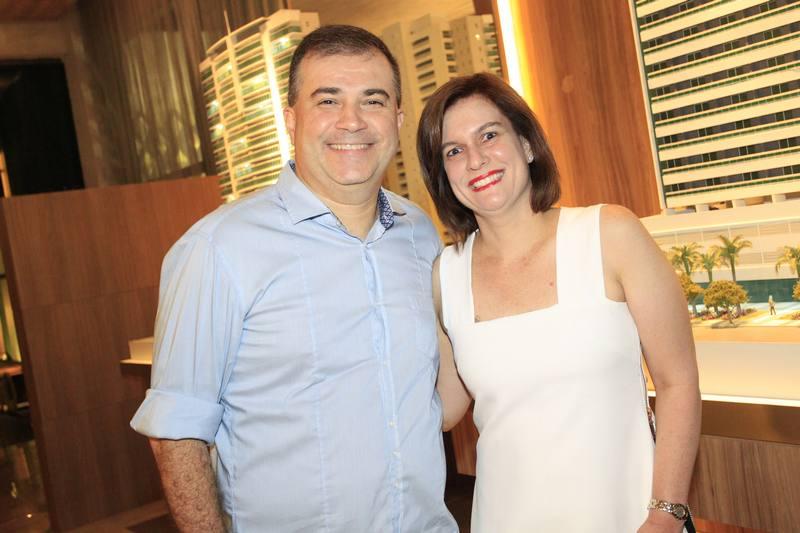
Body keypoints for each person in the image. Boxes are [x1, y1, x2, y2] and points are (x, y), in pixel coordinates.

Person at [131, 25, 457, 533]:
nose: (352, 121)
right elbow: (176, 433)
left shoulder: (418, 233)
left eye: (372, 100)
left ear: (396, 120)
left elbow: (435, 396)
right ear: (291, 119)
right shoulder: (217, 248)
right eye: (328, 100)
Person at [417, 73, 701, 533]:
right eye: (453, 151)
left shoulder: (610, 234)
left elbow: (677, 381)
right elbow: (445, 409)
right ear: (444, 177)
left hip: (629, 519)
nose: (475, 159)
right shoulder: (444, 276)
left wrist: (666, 514)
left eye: (489, 135)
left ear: (527, 143)